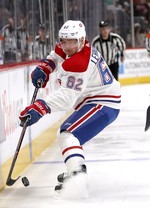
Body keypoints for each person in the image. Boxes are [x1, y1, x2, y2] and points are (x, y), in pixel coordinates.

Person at [19, 20, 121, 196]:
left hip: (103, 102)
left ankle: (77, 179)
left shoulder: (79, 64)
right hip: (96, 100)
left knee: (68, 134)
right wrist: (46, 67)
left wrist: (39, 108)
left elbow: (67, 97)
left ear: (81, 40)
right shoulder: (75, 47)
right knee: (67, 134)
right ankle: (75, 171)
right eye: (64, 41)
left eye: (71, 41)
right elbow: (56, 54)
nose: (67, 46)